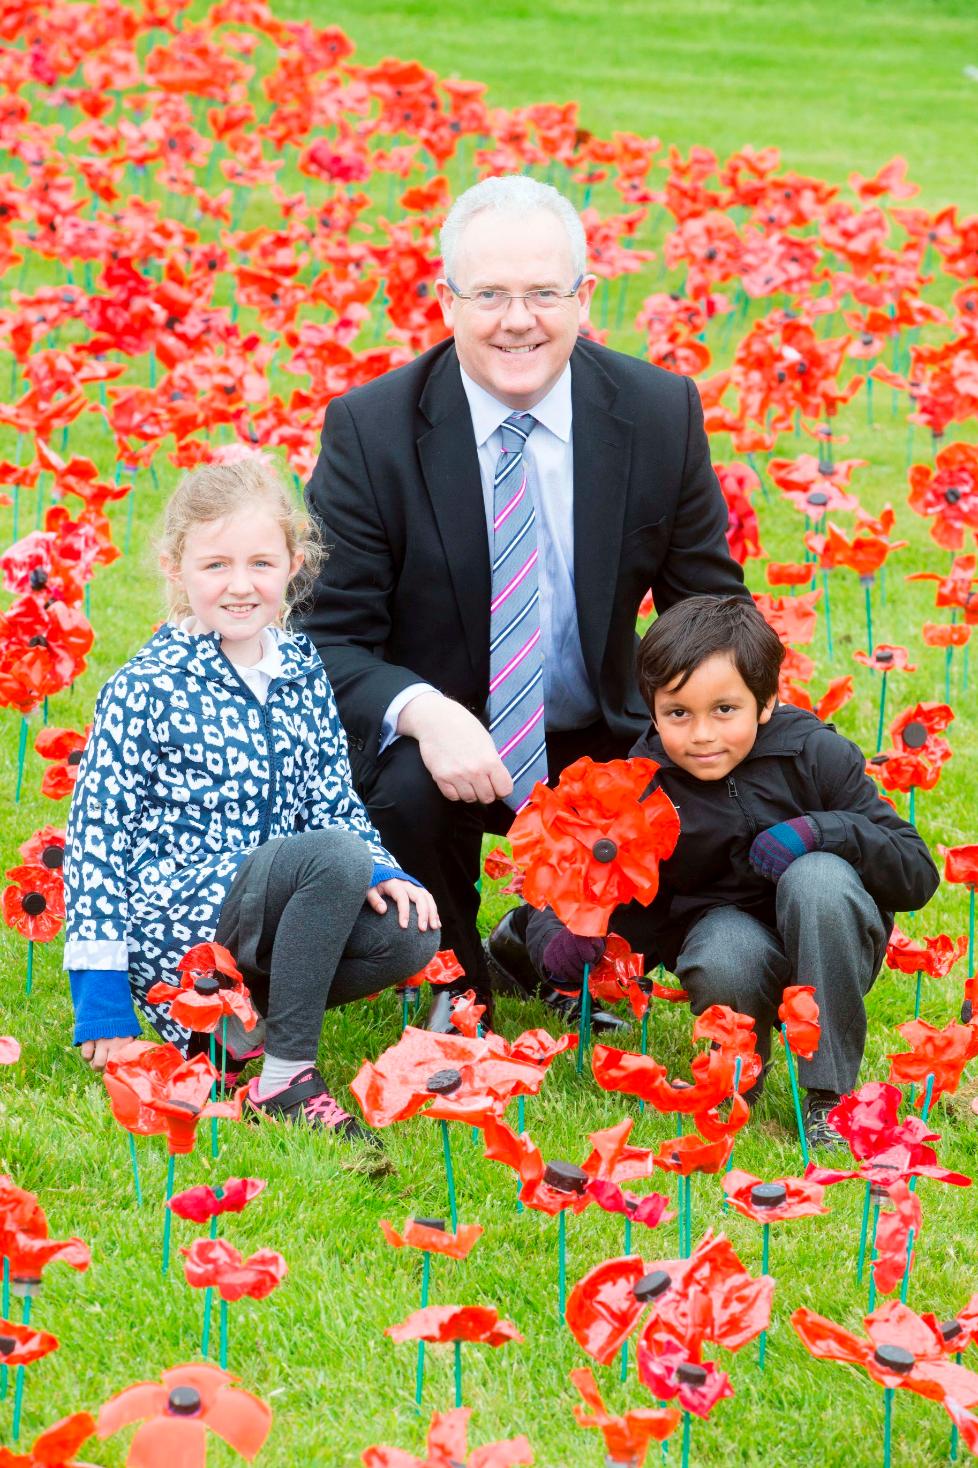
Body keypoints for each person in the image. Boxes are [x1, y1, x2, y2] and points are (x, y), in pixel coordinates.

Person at [304, 174, 746, 1032]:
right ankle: (457, 978)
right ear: (446, 301)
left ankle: (561, 949)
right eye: (491, 294)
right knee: (400, 787)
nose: (518, 320)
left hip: (599, 723)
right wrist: (424, 712)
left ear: (584, 296)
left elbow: (709, 607)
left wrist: (715, 725)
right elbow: (328, 636)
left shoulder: (658, 413)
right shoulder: (371, 430)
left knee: (699, 783)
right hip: (446, 732)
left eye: (544, 292)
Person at [62, 453, 440, 1142]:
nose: (241, 586)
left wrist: (386, 872)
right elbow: (95, 844)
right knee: (332, 856)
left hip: (277, 902)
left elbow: (332, 798)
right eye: (216, 566)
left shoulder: (300, 668)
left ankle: (237, 1032)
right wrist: (102, 1005)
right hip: (177, 920)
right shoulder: (145, 688)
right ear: (177, 568)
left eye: (262, 564)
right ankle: (285, 1076)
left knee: (407, 932)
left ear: (294, 562)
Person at [523, 595, 940, 1148]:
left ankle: (828, 1097)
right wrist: (563, 932)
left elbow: (916, 871)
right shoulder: (643, 787)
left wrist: (823, 831)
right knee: (723, 945)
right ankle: (741, 1070)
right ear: (651, 710)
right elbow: (591, 882)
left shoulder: (816, 753)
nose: (701, 735)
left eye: (725, 710)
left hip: (830, 940)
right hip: (728, 945)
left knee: (817, 877)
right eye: (678, 713)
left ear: (765, 702)